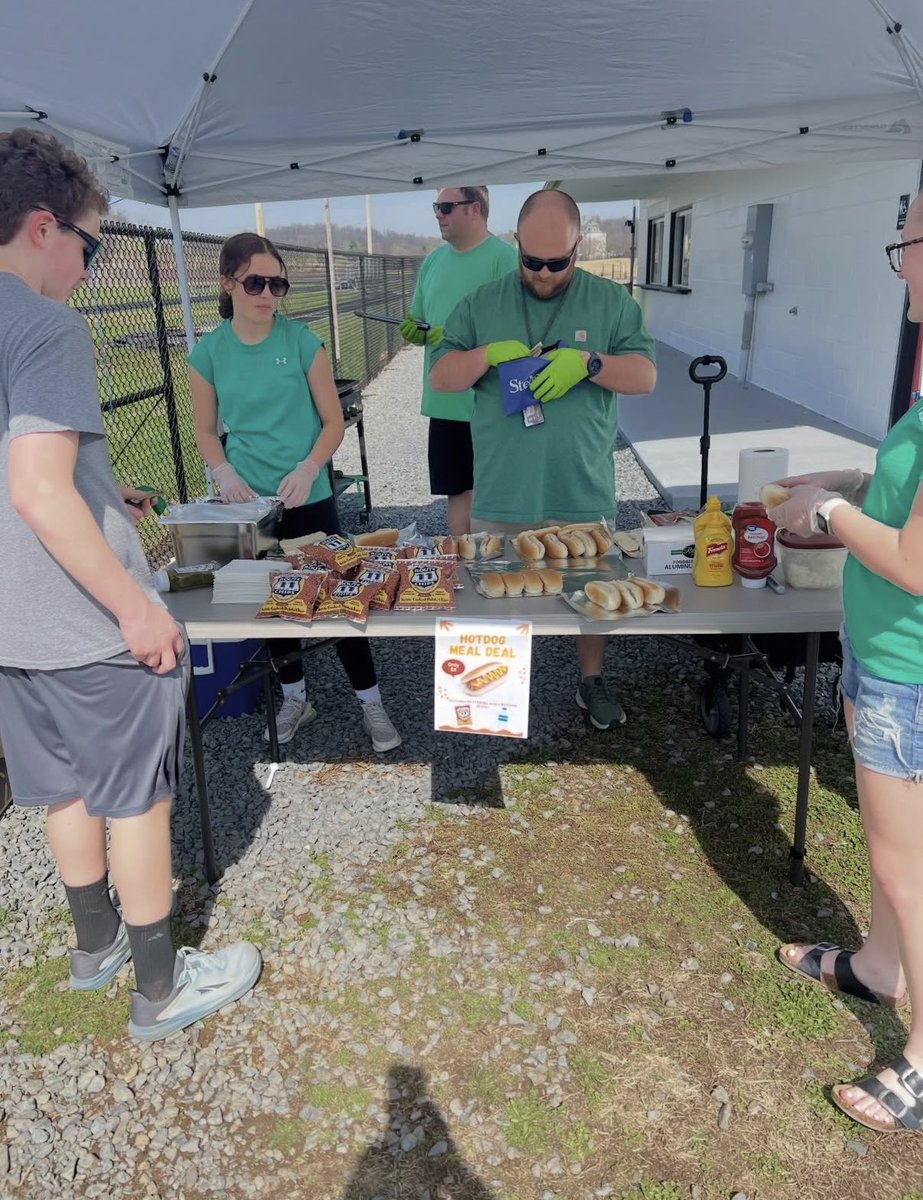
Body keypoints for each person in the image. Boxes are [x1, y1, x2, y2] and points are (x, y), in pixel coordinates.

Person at [0, 127, 261, 1041]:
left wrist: (108, 491)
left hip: (11, 629)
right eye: (89, 243)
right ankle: (159, 987)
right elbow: (36, 487)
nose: (88, 265)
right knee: (136, 800)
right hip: (84, 627)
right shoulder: (42, 324)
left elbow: (32, 476)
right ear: (42, 228)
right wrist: (134, 606)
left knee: (62, 790)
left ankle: (94, 943)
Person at [767, 190, 923, 1134]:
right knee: (889, 854)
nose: (896, 260)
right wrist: (851, 483)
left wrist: (825, 516)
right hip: (888, 655)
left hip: (907, 667)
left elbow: (912, 561)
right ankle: (876, 966)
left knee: (906, 865)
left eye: (901, 238)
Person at [429, 189, 657, 730]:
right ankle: (490, 699)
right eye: (533, 261)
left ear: (578, 245)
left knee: (593, 593)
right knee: (500, 590)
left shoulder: (611, 303)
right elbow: (442, 375)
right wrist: (486, 354)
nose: (546, 273)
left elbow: (646, 376)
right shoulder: (483, 303)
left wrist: (591, 362)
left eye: (560, 261)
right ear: (516, 245)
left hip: (580, 485)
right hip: (505, 487)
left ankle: (592, 681)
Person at [188, 233, 401, 750]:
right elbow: (203, 430)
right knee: (274, 603)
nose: (267, 294)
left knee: (343, 595)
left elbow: (333, 421)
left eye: (276, 283)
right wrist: (223, 471)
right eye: (255, 282)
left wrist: (310, 467)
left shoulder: (301, 342)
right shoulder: (209, 352)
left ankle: (371, 703)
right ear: (227, 284)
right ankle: (296, 698)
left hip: (308, 495)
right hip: (251, 506)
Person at [398, 186, 517, 535]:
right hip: (444, 399)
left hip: (488, 403)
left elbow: (516, 332)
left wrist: (458, 337)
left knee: (489, 495)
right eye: (437, 207)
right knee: (456, 492)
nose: (439, 214)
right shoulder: (433, 261)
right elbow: (419, 316)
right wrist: (417, 331)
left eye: (446, 207)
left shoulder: (503, 258)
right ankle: (461, 573)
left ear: (475, 209)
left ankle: (491, 572)